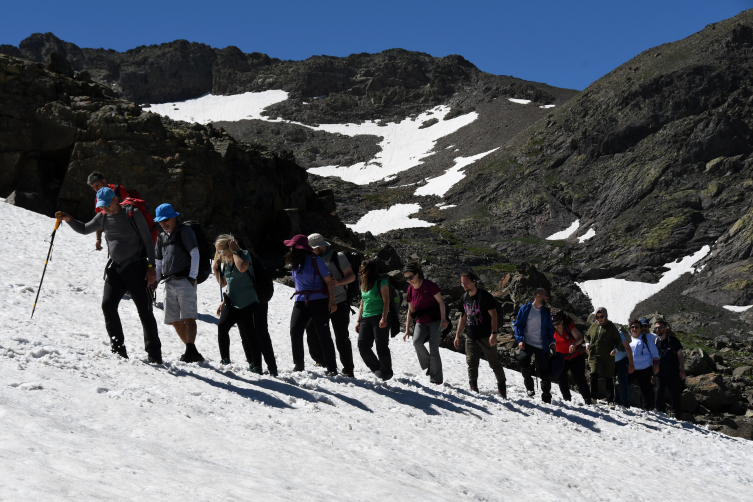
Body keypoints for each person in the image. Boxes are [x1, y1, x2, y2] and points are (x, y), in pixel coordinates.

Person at [55, 188, 163, 363]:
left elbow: (148, 242)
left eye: (107, 205)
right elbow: (83, 229)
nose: (105, 209)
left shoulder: (132, 214)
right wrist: (68, 219)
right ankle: (118, 349)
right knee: (108, 305)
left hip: (137, 268)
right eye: (102, 206)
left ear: (115, 199)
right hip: (116, 269)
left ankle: (154, 355)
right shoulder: (102, 217)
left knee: (144, 311)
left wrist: (151, 268)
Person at [213, 235, 278, 376]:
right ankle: (226, 359)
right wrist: (215, 268)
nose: (221, 254)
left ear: (230, 246)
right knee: (223, 326)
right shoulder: (227, 261)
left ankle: (261, 366)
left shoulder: (244, 255)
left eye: (222, 250)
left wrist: (235, 251)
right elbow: (224, 283)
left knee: (252, 334)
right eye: (218, 251)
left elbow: (242, 268)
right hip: (233, 302)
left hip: (250, 301)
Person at [153, 203, 203, 363]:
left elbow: (195, 254)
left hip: (184, 280)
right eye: (160, 221)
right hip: (168, 282)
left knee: (189, 316)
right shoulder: (161, 237)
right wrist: (156, 279)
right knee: (174, 319)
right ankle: (191, 350)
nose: (163, 223)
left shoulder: (185, 232)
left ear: (174, 217)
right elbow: (158, 261)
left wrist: (192, 277)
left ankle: (190, 349)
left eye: (165, 220)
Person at [285, 234, 339, 375]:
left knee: (323, 334)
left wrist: (332, 301)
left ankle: (332, 368)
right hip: (301, 301)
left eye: (292, 245)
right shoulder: (294, 263)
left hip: (319, 301)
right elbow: (296, 282)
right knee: (295, 331)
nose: (290, 248)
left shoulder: (315, 260)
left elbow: (329, 281)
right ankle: (299, 365)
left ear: (298, 248)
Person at [305, 233, 356, 377]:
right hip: (320, 301)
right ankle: (321, 360)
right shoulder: (313, 258)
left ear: (321, 246)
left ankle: (348, 369)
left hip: (340, 301)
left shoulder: (337, 257)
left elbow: (351, 276)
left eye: (313, 248)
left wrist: (339, 282)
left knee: (341, 336)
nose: (311, 250)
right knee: (312, 328)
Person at [454, 271, 506, 397]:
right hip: (471, 336)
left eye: (466, 282)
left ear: (474, 281)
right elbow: (463, 317)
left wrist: (493, 334)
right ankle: (473, 387)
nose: (464, 285)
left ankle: (502, 388)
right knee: (471, 362)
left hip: (486, 336)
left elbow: (493, 315)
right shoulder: (464, 298)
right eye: (462, 283)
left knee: (494, 362)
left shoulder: (484, 296)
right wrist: (457, 335)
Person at [403, 262, 447, 385]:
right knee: (416, 342)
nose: (409, 280)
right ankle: (429, 365)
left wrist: (443, 319)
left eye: (410, 277)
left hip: (435, 321)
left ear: (417, 274)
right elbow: (410, 310)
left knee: (434, 349)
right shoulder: (410, 290)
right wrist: (407, 329)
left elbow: (441, 302)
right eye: (406, 278)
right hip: (420, 322)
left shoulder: (429, 285)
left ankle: (436, 380)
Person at [513, 288, 557, 403]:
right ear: (538, 296)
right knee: (523, 361)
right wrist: (520, 340)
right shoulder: (525, 309)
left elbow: (549, 329)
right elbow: (518, 325)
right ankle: (529, 386)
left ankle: (546, 396)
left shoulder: (546, 311)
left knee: (544, 372)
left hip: (542, 345)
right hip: (527, 342)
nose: (547, 297)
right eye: (545, 295)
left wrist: (552, 342)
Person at [584, 307, 632, 409]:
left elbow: (618, 341)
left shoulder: (611, 327)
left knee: (609, 377)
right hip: (594, 355)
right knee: (593, 374)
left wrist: (615, 349)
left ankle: (610, 401)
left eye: (602, 316)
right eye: (597, 317)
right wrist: (587, 344)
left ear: (606, 315)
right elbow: (586, 336)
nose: (600, 319)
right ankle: (593, 398)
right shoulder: (593, 326)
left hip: (608, 356)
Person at [354, 259, 393, 380]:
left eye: (363, 268)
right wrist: (358, 320)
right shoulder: (363, 282)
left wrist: (384, 318)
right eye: (361, 268)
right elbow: (362, 302)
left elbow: (386, 300)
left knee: (381, 345)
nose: (361, 270)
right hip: (366, 317)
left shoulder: (381, 282)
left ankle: (386, 373)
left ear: (370, 269)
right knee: (362, 345)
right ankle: (377, 368)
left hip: (379, 317)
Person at [552, 310, 591, 405]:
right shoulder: (553, 331)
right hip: (562, 358)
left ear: (562, 321)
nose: (556, 326)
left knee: (579, 378)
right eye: (554, 324)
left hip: (575, 357)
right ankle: (567, 399)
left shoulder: (568, 327)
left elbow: (580, 338)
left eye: (558, 323)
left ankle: (587, 400)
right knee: (561, 377)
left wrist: (573, 344)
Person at [87, 171, 130, 252]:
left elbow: (130, 206)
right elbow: (100, 219)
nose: (96, 189)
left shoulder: (118, 189)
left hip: (128, 231)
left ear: (104, 181)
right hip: (112, 234)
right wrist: (98, 238)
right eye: (93, 188)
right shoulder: (98, 199)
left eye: (97, 186)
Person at [653, 319, 686, 418]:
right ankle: (661, 414)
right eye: (656, 328)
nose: (658, 329)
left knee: (675, 395)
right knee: (659, 394)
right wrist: (652, 373)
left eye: (660, 327)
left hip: (673, 373)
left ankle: (677, 416)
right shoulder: (654, 342)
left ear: (665, 328)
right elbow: (654, 358)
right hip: (659, 374)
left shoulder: (673, 341)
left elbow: (680, 355)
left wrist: (682, 370)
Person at [628, 318, 660, 410]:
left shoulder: (646, 339)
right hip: (631, 367)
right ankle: (623, 403)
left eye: (637, 327)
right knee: (625, 385)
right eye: (632, 327)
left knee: (646, 389)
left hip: (645, 368)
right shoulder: (628, 338)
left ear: (640, 328)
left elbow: (655, 354)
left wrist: (656, 365)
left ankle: (648, 409)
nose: (634, 329)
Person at [614, 325, 635, 408]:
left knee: (622, 381)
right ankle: (616, 400)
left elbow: (628, 348)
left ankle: (625, 404)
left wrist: (631, 364)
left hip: (622, 360)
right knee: (611, 381)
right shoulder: (602, 334)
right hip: (611, 361)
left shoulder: (618, 333)